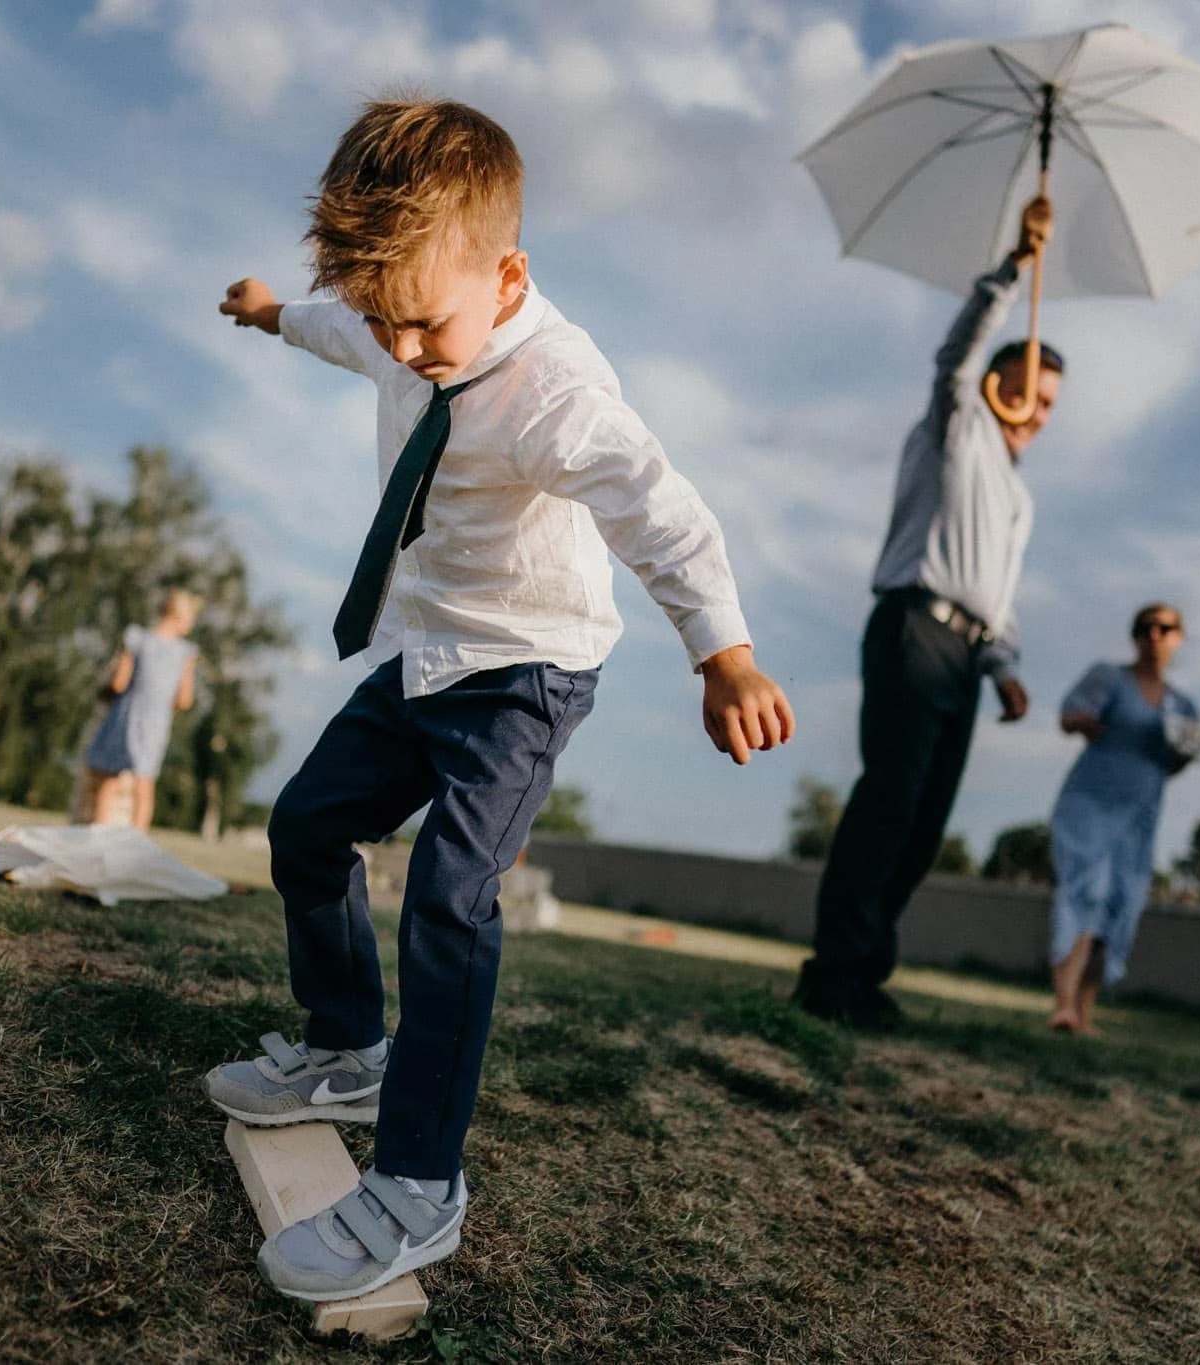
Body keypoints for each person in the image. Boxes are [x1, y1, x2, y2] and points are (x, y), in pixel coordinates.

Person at [202, 97, 794, 1303]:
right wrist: (273, 317)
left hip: (523, 674)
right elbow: (341, 331)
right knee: (306, 828)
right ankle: (344, 1049)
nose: (403, 348)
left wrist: (720, 652)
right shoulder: (392, 312)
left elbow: (659, 512)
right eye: (384, 320)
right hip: (424, 653)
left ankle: (419, 1186)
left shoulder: (558, 394)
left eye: (422, 325)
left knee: (448, 895)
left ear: (507, 271)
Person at [793, 196, 1062, 1033]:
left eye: (1049, 400)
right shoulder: (956, 425)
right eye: (1024, 387)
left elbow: (999, 598)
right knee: (889, 803)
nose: (1036, 407)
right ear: (998, 383)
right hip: (914, 630)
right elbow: (955, 357)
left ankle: (866, 974)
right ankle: (829, 976)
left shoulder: (1017, 494)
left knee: (925, 823)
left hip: (968, 660)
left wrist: (1006, 669)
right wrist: (1017, 266)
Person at [1046, 603, 1200, 1035]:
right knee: (1086, 892)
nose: (1153, 634)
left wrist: (1184, 752)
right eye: (1145, 627)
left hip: (1139, 812)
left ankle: (1084, 1012)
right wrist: (1082, 721)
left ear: (1178, 637)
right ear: (1135, 635)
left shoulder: (1184, 705)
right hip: (1090, 801)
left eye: (1164, 628)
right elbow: (1068, 715)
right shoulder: (1108, 677)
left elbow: (1176, 764)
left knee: (1121, 903)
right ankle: (1062, 1004)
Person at [80, 588, 200, 830]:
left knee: (110, 780)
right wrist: (161, 699)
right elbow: (185, 700)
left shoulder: (137, 638)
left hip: (126, 716)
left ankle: (97, 842)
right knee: (144, 786)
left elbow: (119, 682)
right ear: (180, 617)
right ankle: (137, 843)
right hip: (155, 723)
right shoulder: (184, 652)